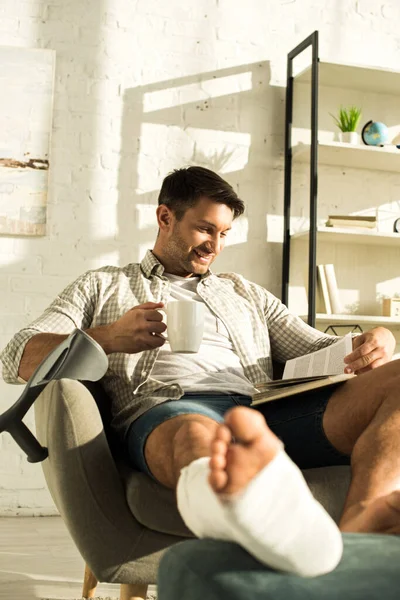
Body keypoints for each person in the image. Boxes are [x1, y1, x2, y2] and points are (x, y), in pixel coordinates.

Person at [1, 166, 399, 577]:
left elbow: (322, 349)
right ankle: (269, 522)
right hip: (168, 408)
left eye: (224, 233)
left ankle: (359, 531)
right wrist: (108, 336)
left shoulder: (243, 292)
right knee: (196, 436)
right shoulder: (103, 285)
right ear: (165, 217)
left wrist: (377, 341)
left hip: (265, 411)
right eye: (205, 229)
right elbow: (16, 356)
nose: (214, 245)